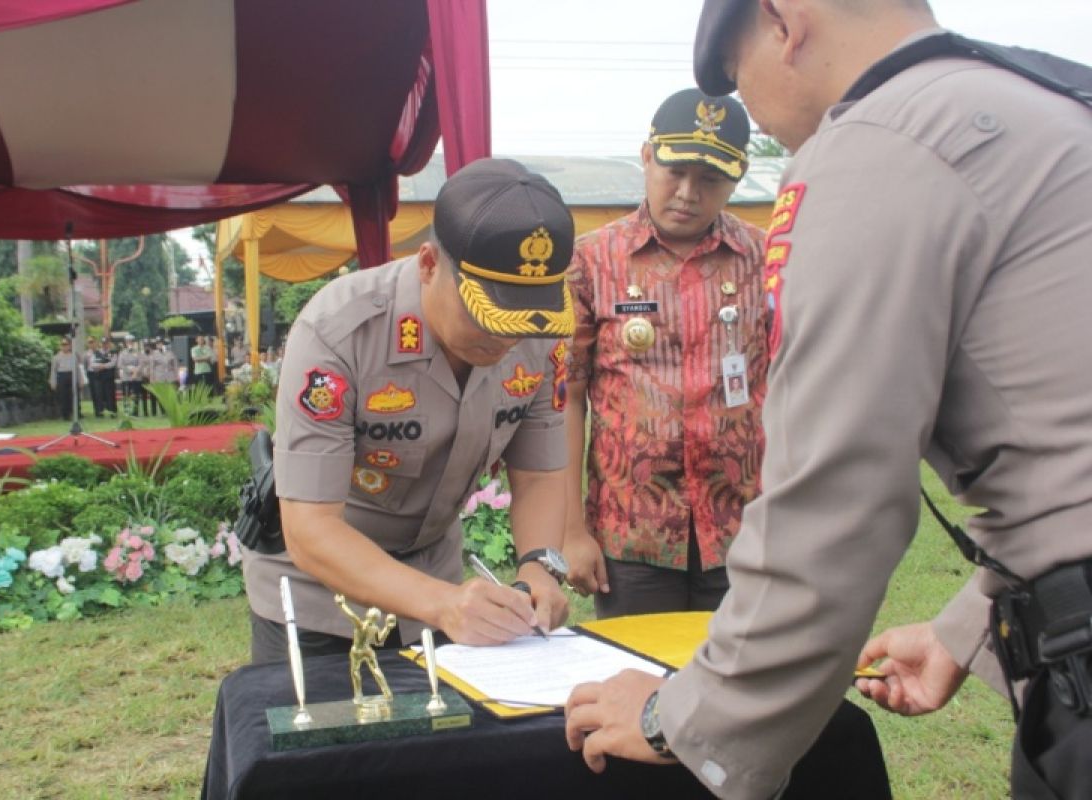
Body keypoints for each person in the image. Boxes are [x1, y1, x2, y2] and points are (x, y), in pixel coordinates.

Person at [564, 2, 1092, 798]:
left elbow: (839, 490)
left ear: (783, 22)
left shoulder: (878, 143)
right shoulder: (1047, 107)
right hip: (643, 528)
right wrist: (969, 626)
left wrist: (681, 717)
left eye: (741, 79)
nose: (763, 117)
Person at [243, 157, 575, 664]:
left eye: (524, 319)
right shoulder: (339, 332)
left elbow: (539, 477)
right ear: (427, 264)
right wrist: (442, 604)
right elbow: (312, 530)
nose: (507, 338)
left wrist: (537, 568)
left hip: (436, 583)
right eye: (488, 314)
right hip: (320, 599)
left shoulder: (536, 339)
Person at [561, 89, 768, 617]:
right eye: (674, 171)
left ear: (738, 176)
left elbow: (800, 384)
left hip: (746, 530)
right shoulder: (591, 262)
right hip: (634, 534)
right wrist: (570, 529)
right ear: (647, 155)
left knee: (744, 691)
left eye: (711, 180)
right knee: (638, 684)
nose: (687, 193)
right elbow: (566, 399)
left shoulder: (767, 260)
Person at [48, 338, 84, 421]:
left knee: (75, 395)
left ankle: (77, 413)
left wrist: (80, 379)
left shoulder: (74, 355)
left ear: (70, 345)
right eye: (62, 345)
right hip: (62, 375)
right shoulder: (56, 357)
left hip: (72, 374)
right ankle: (65, 415)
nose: (64, 346)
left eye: (66, 344)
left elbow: (77, 368)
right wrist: (53, 381)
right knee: (64, 396)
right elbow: (53, 370)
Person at [85, 337, 118, 418]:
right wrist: (100, 366)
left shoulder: (113, 352)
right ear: (101, 344)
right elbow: (92, 363)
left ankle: (112, 411)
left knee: (110, 394)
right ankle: (100, 412)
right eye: (103, 343)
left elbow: (113, 363)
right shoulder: (96, 353)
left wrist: (104, 366)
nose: (105, 345)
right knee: (99, 394)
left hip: (109, 376)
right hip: (99, 377)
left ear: (109, 344)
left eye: (106, 343)